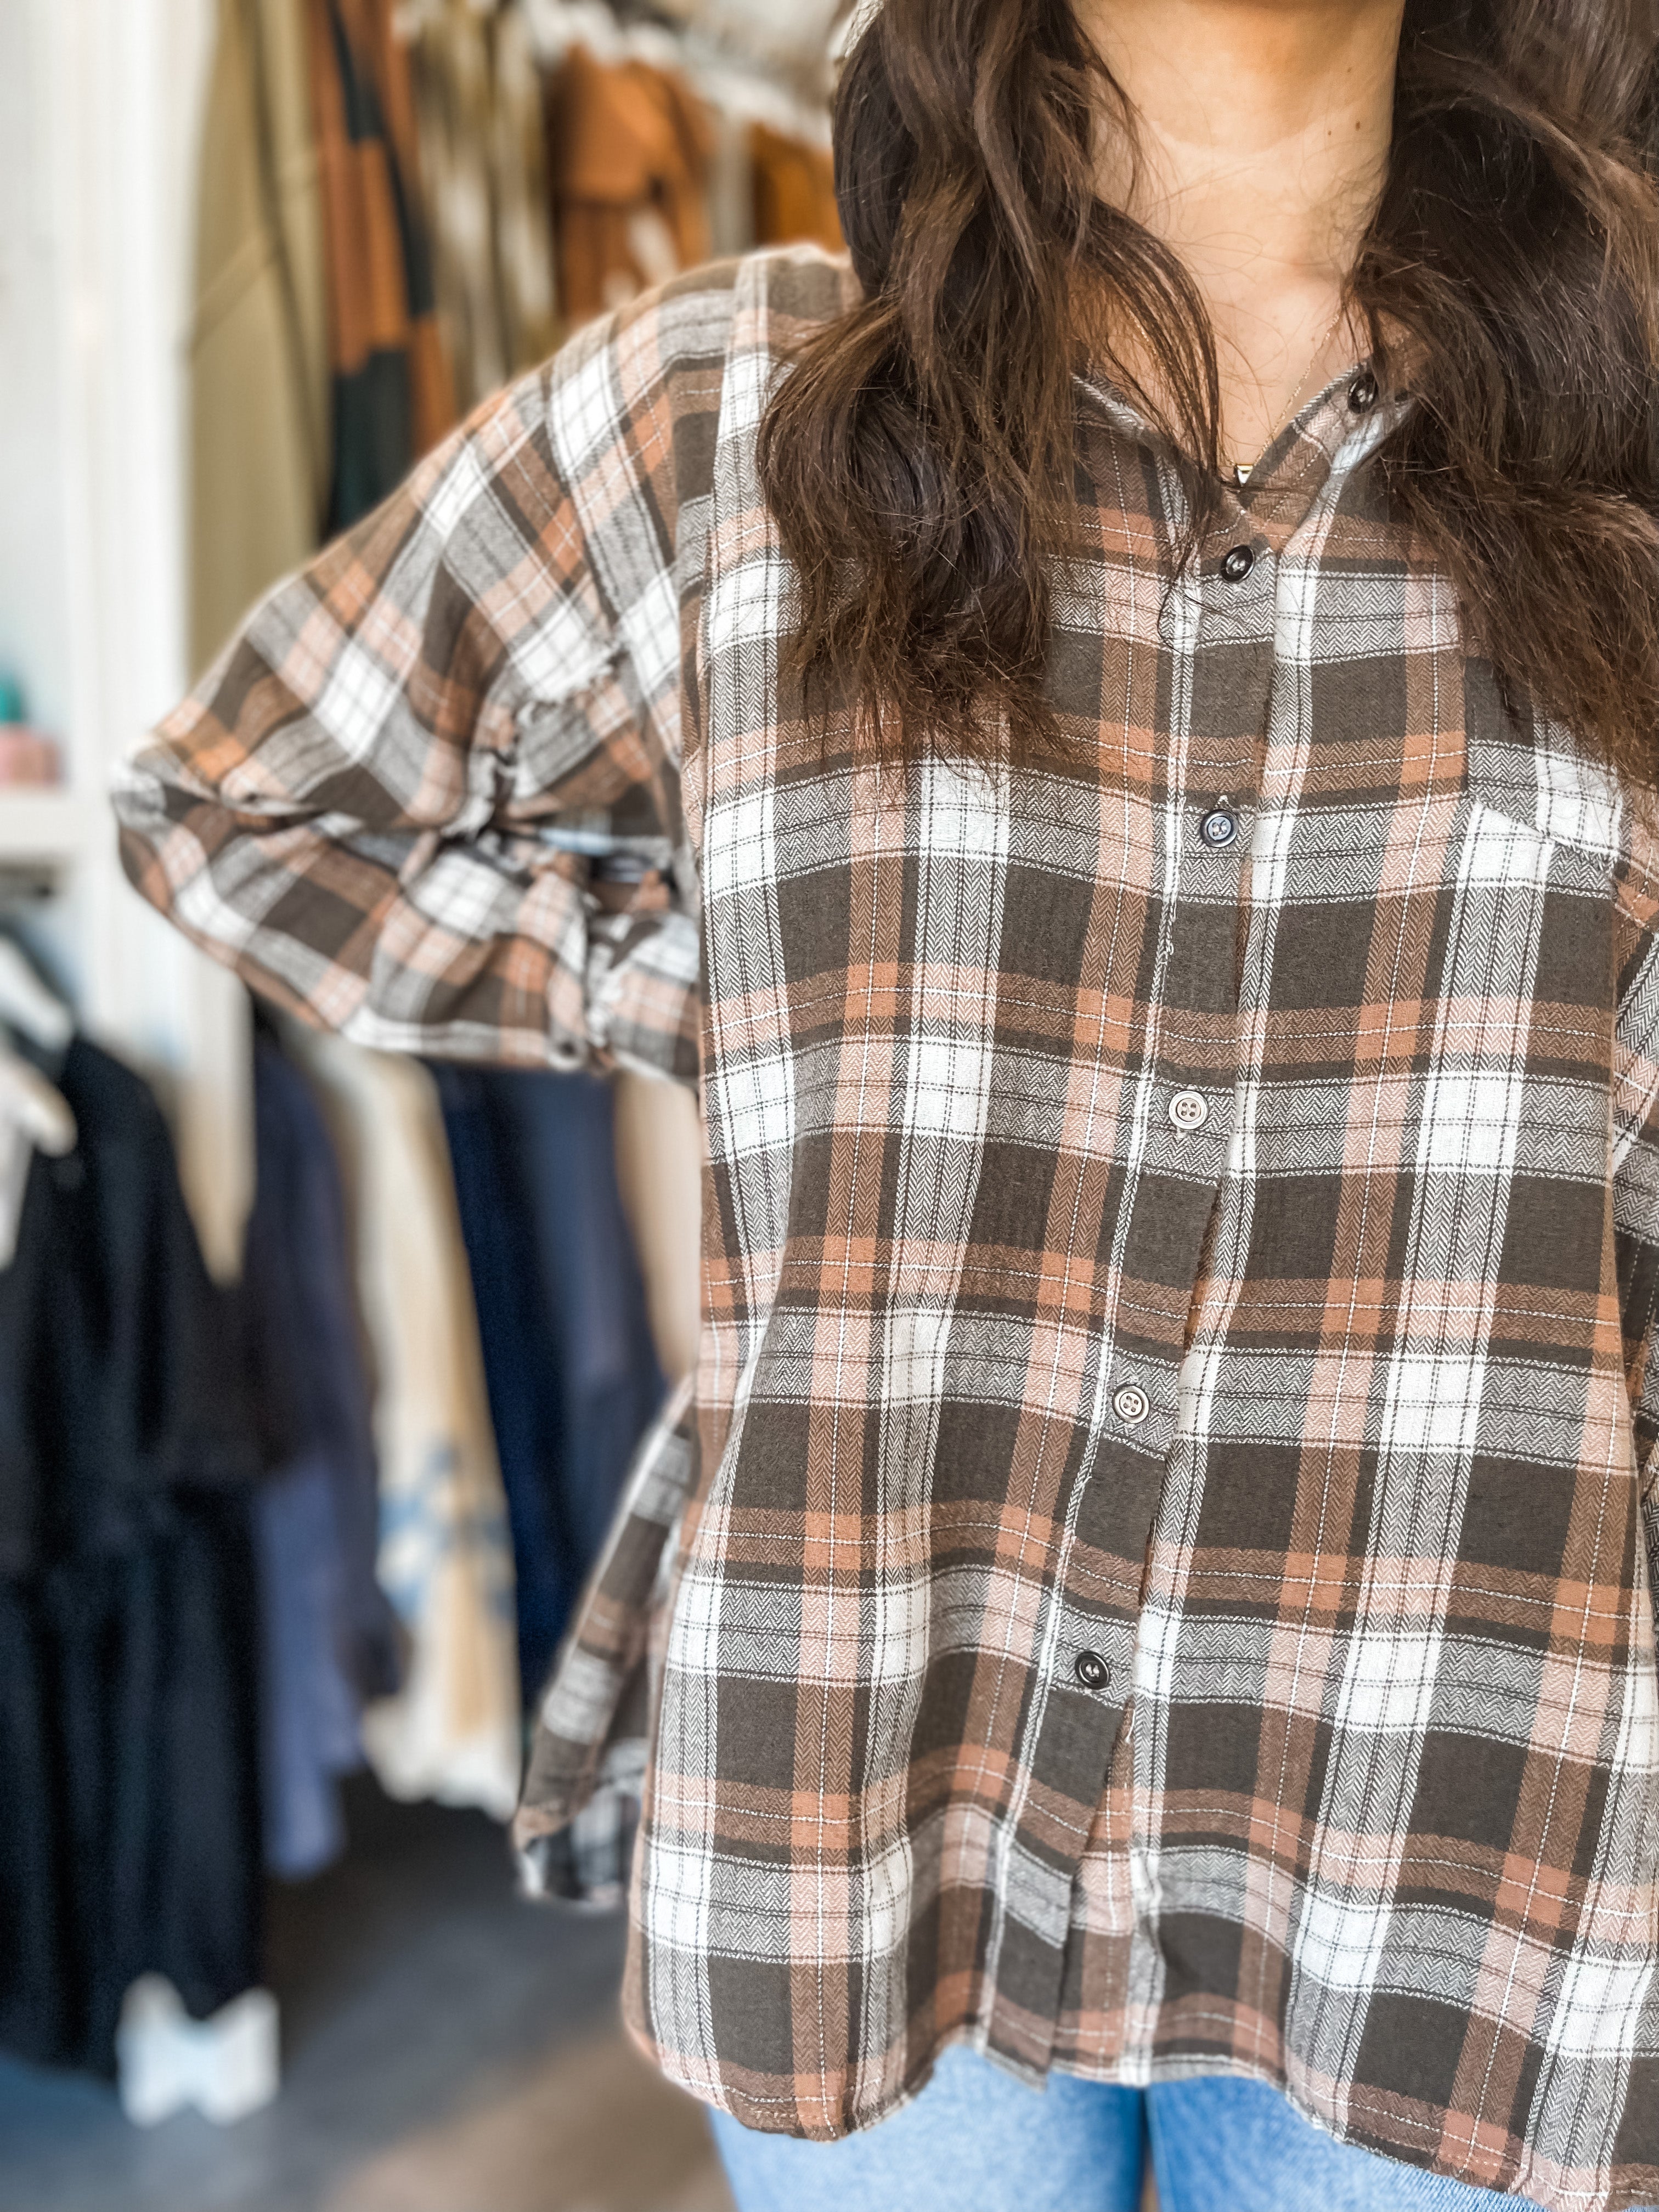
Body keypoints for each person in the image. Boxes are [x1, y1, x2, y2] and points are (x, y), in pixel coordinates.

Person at [114, 1, 1659, 2207]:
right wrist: (728, 992)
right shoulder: (728, 408)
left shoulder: (1624, 433)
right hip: (871, 1755)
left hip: (1457, 1809)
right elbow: (246, 805)